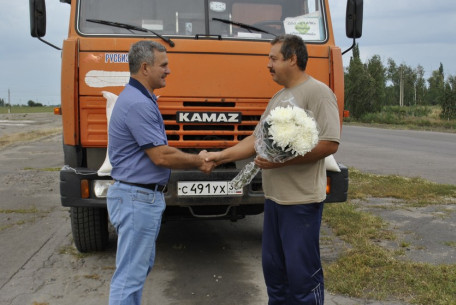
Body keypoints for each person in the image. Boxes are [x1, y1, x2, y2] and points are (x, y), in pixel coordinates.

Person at [205, 34, 341, 305]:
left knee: (303, 279)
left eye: (273, 59)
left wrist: (282, 161)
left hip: (301, 202)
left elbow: (329, 144)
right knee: (275, 277)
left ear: (293, 59)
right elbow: (255, 141)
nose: (268, 65)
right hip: (275, 201)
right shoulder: (279, 97)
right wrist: (218, 156)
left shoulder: (319, 93)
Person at [106, 40, 214, 305]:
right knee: (129, 277)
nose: (169, 71)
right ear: (145, 67)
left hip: (138, 198)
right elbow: (160, 155)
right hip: (136, 199)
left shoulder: (140, 98)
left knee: (135, 272)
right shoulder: (137, 103)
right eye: (163, 65)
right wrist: (199, 161)